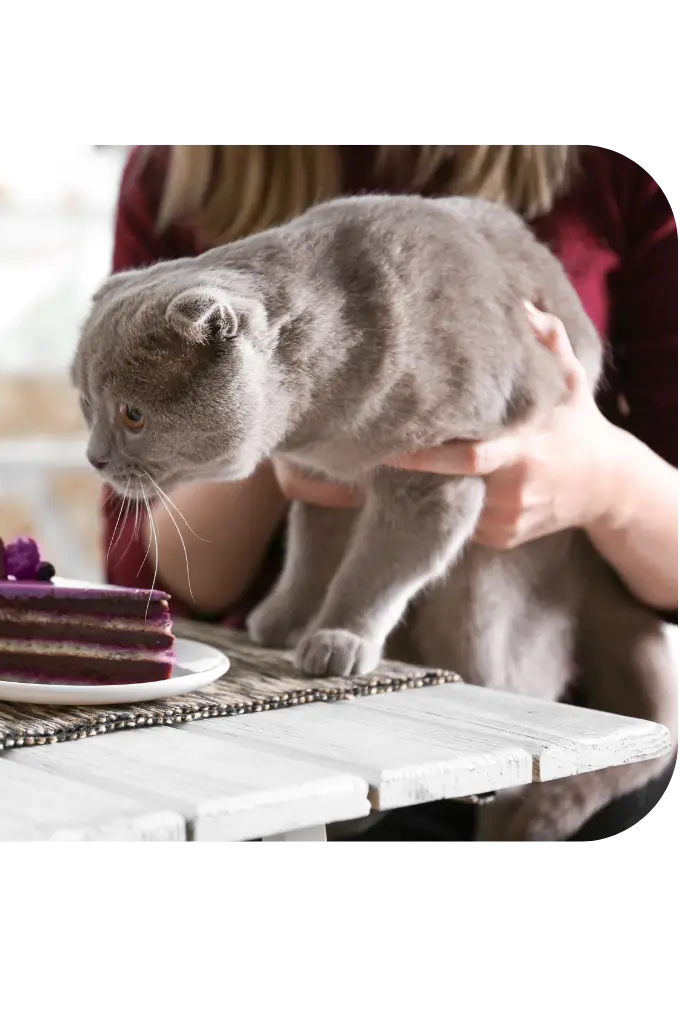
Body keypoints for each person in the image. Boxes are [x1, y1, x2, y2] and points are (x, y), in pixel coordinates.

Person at [101, 144, 679, 847]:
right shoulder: (181, 166)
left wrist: (605, 483)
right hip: (289, 695)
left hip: (553, 680)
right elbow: (144, 583)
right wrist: (280, 435)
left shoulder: (608, 171)